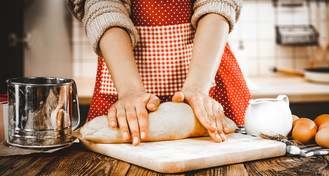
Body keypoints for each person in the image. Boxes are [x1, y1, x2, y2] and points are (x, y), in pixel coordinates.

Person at [67, 0, 251, 145]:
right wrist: (130, 89)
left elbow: (217, 3)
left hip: (207, 76)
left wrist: (197, 87)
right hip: (123, 74)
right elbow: (102, 6)